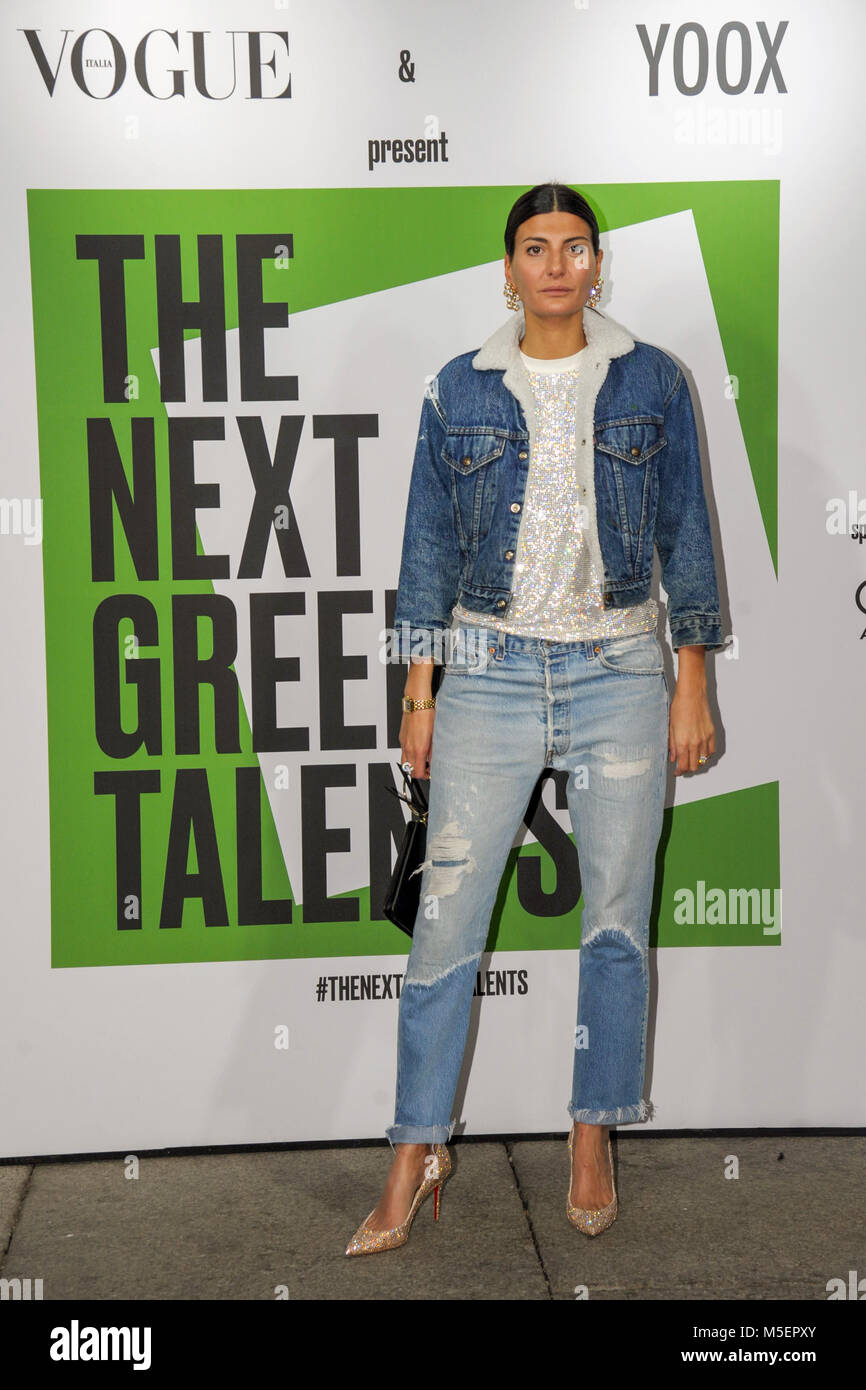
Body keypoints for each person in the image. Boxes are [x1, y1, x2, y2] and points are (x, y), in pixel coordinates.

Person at [345, 182, 724, 1256]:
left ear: (596, 265)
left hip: (617, 669)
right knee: (442, 931)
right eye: (532, 248)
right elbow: (422, 550)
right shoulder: (456, 390)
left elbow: (685, 535)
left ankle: (591, 1131)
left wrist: (689, 679)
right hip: (486, 665)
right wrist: (417, 691)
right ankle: (416, 1150)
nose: (555, 264)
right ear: (505, 271)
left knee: (612, 918)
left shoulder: (653, 379)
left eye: (572, 247)